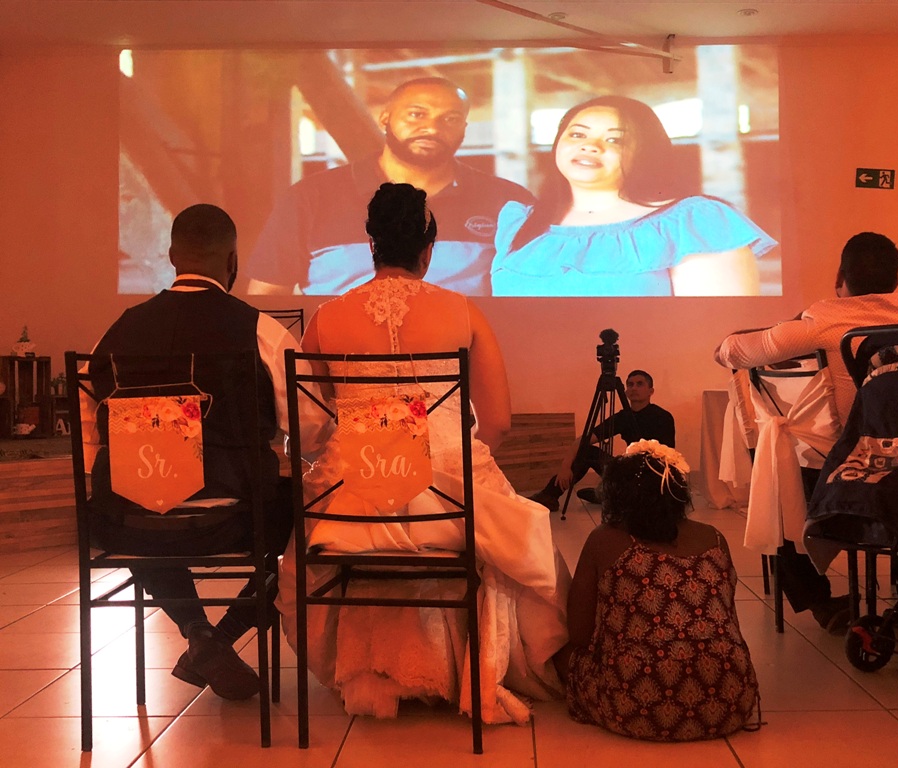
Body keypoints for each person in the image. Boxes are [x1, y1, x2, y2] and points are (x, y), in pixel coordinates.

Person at [275, 182, 569, 724]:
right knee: (501, 523)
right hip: (448, 503)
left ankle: (378, 668)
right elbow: (499, 422)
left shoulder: (326, 317)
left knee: (330, 507)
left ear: (371, 244)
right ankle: (465, 664)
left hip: (351, 506)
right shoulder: (462, 312)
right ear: (428, 248)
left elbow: (311, 427)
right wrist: (458, 459)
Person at [82, 204, 324, 700]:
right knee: (314, 517)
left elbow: (89, 428)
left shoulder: (116, 332)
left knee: (142, 503)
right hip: (235, 519)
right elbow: (311, 429)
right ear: (233, 261)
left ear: (171, 256)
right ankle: (223, 635)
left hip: (127, 522)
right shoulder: (260, 331)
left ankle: (198, 631)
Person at [714, 231, 898, 630]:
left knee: (778, 484)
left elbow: (729, 351)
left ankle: (819, 603)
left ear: (841, 276)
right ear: (897, 279)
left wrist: (787, 325)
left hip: (840, 474)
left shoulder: (823, 320)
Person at [245, 77, 534, 297]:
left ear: (464, 129)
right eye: (416, 114)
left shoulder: (508, 201)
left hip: (464, 356)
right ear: (385, 117)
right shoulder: (311, 197)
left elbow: (531, 296)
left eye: (450, 119)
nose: (432, 128)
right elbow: (267, 299)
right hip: (338, 357)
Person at [561, 440, 760, 741]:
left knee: (561, 655)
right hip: (730, 698)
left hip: (634, 704)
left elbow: (579, 634)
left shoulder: (603, 539)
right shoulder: (714, 538)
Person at [490, 95, 777, 297]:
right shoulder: (518, 221)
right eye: (577, 135)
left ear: (646, 152)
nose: (591, 146)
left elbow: (719, 335)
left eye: (615, 139)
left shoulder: (695, 221)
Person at [529, 369, 675, 511]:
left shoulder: (662, 417)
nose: (634, 388)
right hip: (628, 470)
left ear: (651, 391)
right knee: (588, 451)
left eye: (640, 384)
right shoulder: (622, 417)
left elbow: (668, 457)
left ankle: (610, 495)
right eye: (630, 384)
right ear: (625, 391)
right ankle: (549, 496)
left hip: (652, 475)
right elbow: (583, 440)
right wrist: (565, 467)